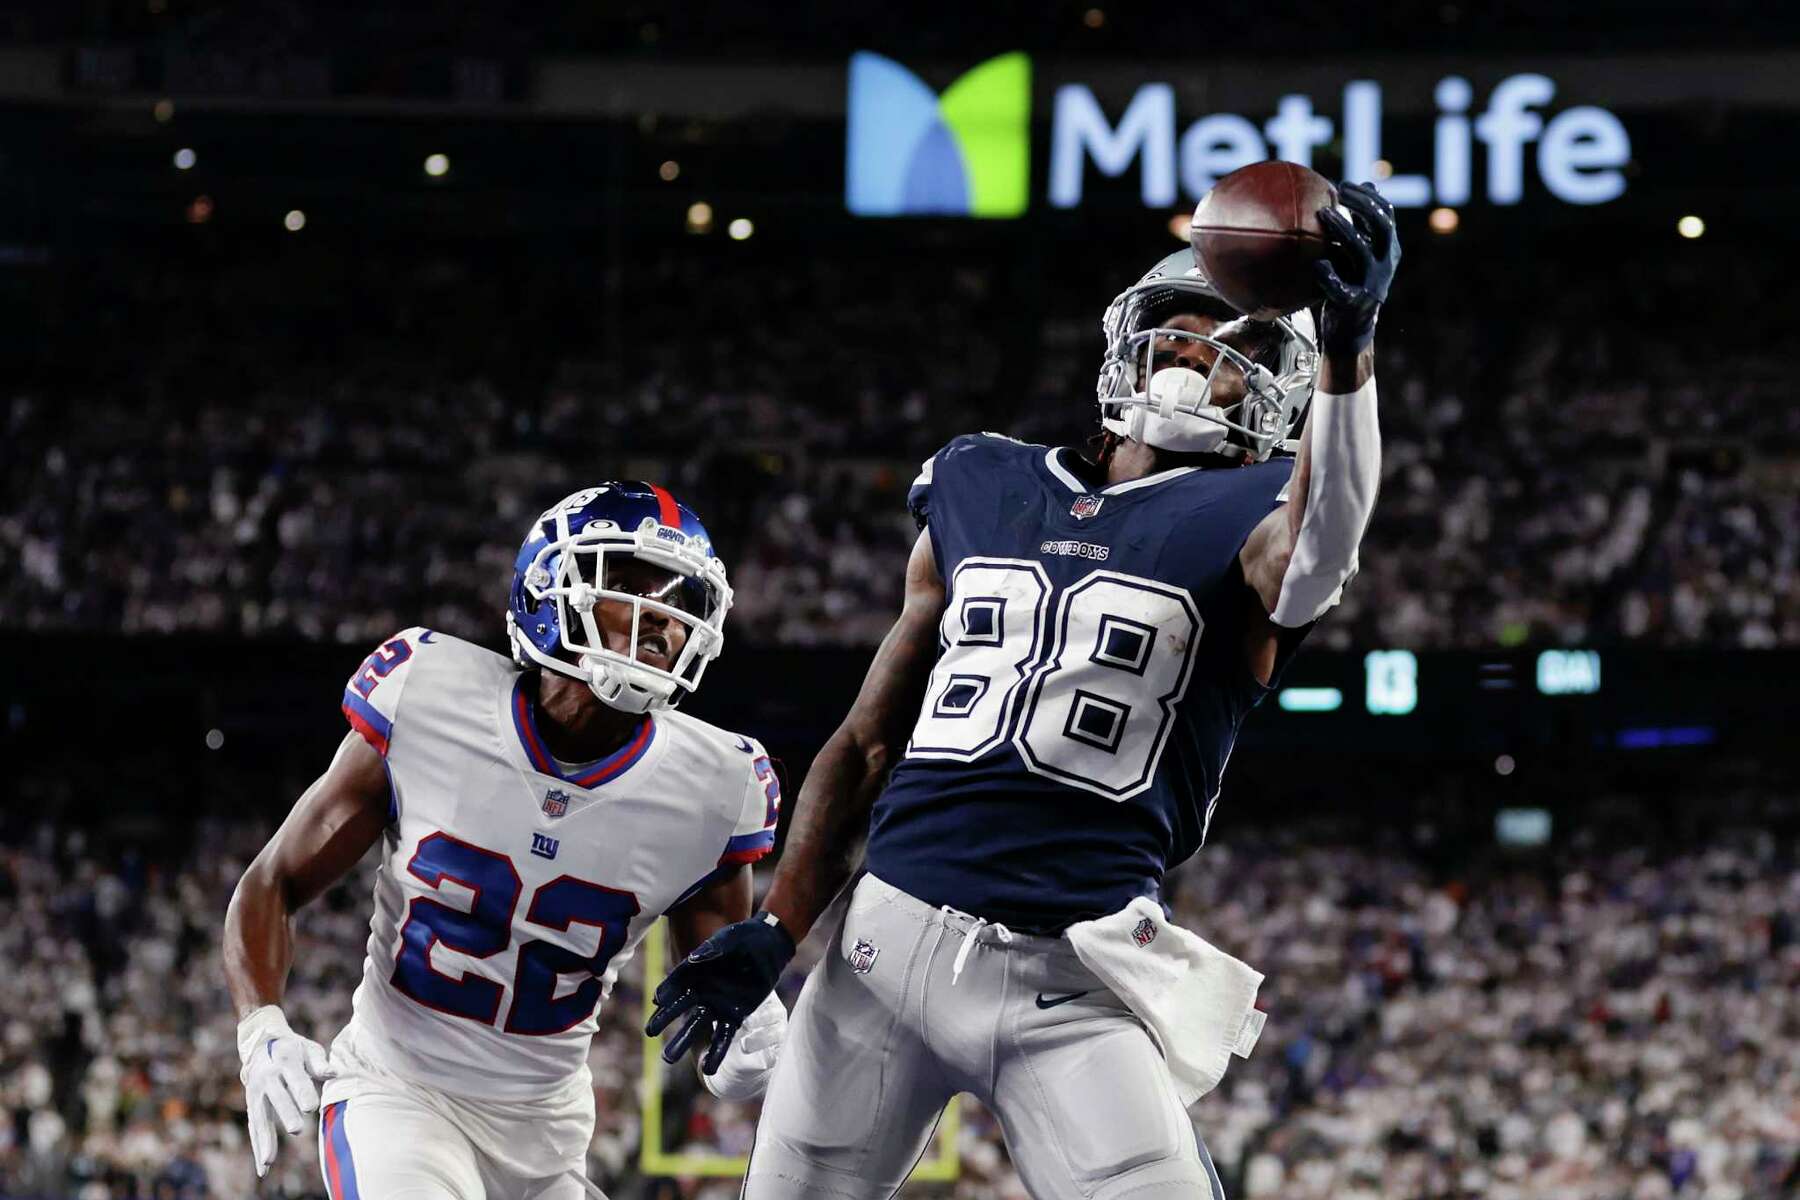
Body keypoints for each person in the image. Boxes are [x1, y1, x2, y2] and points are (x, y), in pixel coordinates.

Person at [647, 183, 1400, 1198]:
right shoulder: (984, 480)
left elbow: (1327, 539)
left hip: (1072, 978)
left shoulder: (1260, 510)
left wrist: (1352, 355)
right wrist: (779, 928)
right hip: (882, 947)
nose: (1195, 358)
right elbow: (867, 744)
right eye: (1177, 336)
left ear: (1274, 395)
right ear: (1124, 346)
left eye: (1231, 351)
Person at [223, 482, 789, 1199]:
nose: (662, 619)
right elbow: (271, 881)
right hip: (401, 1094)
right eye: (628, 584)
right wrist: (260, 1024)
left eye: (678, 598)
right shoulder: (428, 696)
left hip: (549, 1138)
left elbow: (714, 982)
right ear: (551, 590)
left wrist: (743, 1029)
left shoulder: (717, 787)